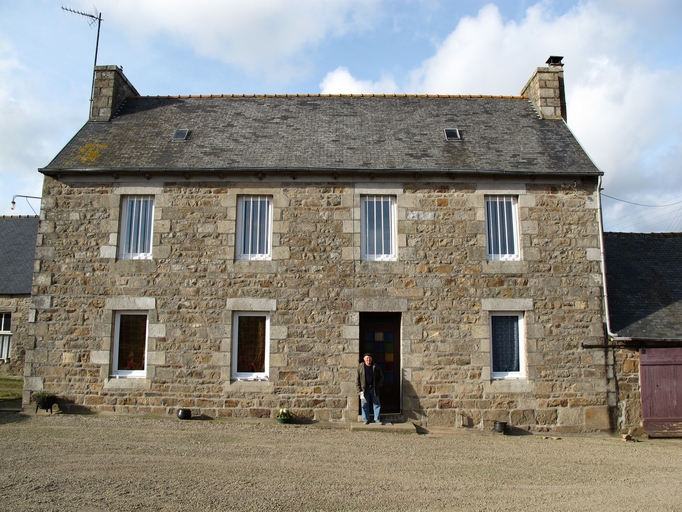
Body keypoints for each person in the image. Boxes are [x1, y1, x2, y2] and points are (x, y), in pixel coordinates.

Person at [356, 352, 384, 424]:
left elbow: (381, 377)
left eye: (369, 358)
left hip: (374, 389)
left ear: (372, 359)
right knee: (364, 404)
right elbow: (357, 379)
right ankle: (366, 419)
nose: (368, 359)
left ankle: (377, 419)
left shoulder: (375, 366)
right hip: (364, 389)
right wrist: (358, 390)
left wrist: (378, 385)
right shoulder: (360, 367)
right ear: (364, 359)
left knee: (376, 403)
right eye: (367, 358)